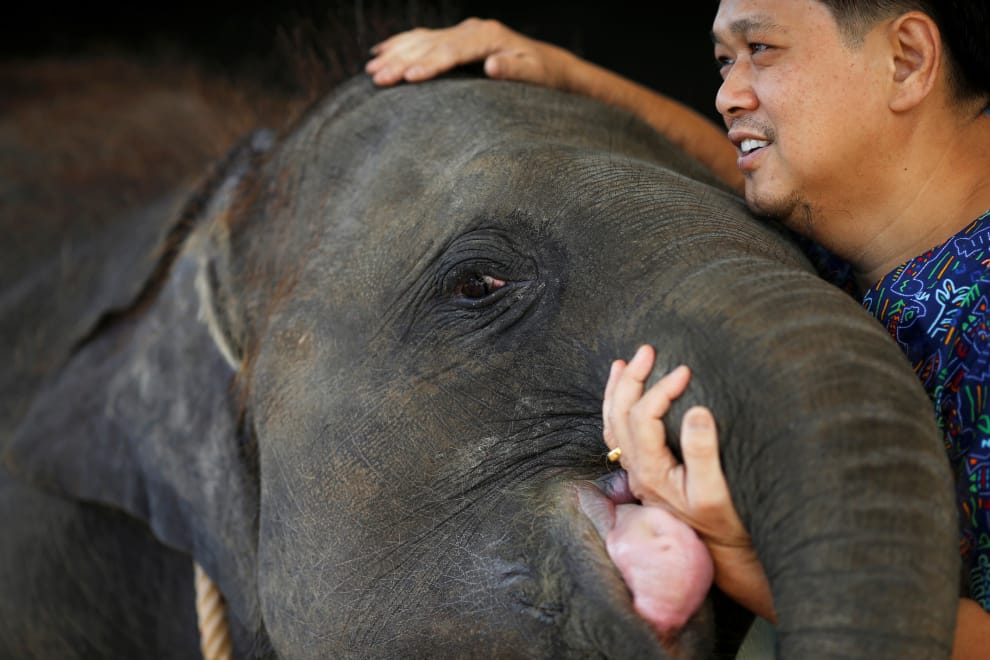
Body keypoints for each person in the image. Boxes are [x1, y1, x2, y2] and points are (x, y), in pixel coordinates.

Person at [366, 1, 990, 655]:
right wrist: (560, 73)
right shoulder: (857, 242)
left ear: (907, 60)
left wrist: (755, 569)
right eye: (724, 61)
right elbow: (720, 158)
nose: (726, 96)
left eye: (761, 49)